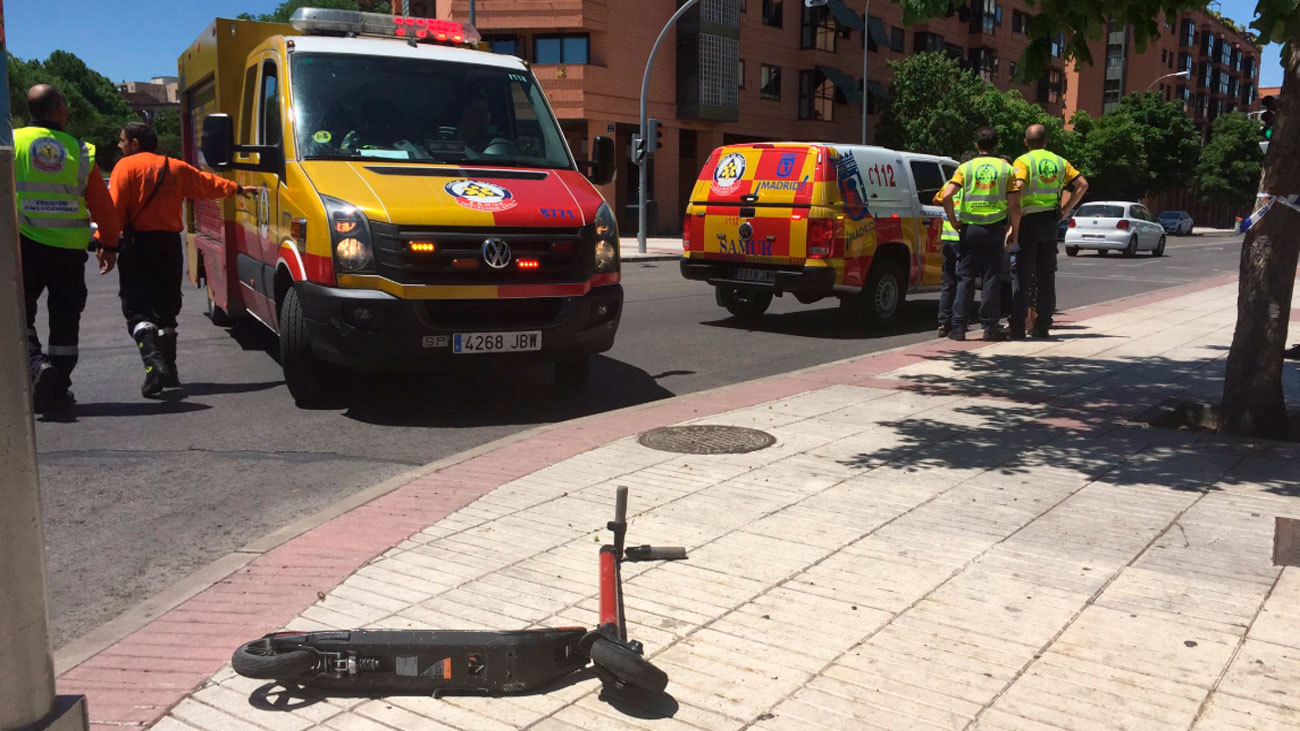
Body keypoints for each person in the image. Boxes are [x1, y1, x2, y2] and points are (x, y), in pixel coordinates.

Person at [102, 121, 251, 397]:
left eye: (122, 140)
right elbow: (207, 184)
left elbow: (114, 210)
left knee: (137, 310)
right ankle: (169, 370)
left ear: (135, 143)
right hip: (169, 246)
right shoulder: (175, 167)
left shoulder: (125, 167)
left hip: (137, 246)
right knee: (166, 310)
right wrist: (238, 189)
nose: (119, 145)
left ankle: (154, 365)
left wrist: (106, 244)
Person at [15, 84, 121, 413]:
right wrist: (109, 244)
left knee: (18, 313)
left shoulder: (12, 143)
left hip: (24, 246)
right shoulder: (80, 150)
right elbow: (103, 208)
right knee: (65, 320)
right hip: (69, 253)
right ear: (59, 109)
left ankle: (36, 367)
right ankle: (57, 387)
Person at [939, 126, 1020, 342]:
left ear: (976, 145)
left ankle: (958, 328)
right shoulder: (1006, 169)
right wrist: (1014, 231)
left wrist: (954, 220)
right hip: (994, 229)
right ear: (997, 145)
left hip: (969, 230)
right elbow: (1015, 206)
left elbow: (947, 195)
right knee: (991, 279)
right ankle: (990, 328)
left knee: (965, 278)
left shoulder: (965, 168)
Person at [1010, 123, 1089, 338]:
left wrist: (1012, 222)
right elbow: (1082, 184)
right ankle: (1043, 324)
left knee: (1022, 275)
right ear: (1046, 142)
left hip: (1027, 221)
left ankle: (1018, 326)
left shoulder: (1023, 161)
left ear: (1026, 142)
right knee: (1046, 276)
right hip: (1049, 222)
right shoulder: (1059, 162)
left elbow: (1016, 188)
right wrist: (1065, 210)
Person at [936, 151, 977, 337]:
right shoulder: (970, 185)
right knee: (964, 281)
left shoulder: (948, 185)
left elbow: (937, 199)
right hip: (962, 237)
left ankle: (944, 322)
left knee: (948, 282)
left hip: (947, 239)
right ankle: (960, 321)